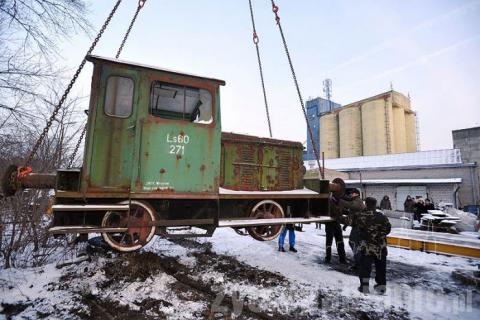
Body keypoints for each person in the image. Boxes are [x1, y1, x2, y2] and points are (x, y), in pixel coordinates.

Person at [353, 197, 391, 294]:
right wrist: (379, 236)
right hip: (380, 248)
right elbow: (388, 229)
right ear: (375, 205)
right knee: (381, 269)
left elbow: (352, 223)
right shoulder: (382, 217)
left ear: (366, 204)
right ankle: (381, 288)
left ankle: (364, 288)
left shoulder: (361, 216)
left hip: (367, 248)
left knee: (365, 268)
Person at [325, 195, 347, 264]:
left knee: (339, 241)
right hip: (329, 223)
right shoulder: (329, 202)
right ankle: (328, 258)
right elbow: (333, 212)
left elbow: (341, 212)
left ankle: (342, 258)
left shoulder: (338, 202)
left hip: (336, 223)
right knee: (329, 241)